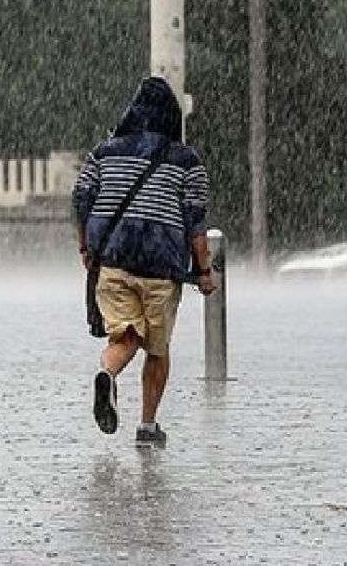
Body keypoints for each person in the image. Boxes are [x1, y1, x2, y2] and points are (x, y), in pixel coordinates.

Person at [72, 76, 217, 447]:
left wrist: (86, 248)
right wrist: (203, 272)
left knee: (126, 336)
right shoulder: (187, 162)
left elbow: (82, 200)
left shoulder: (103, 153)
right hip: (161, 269)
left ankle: (107, 371)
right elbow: (195, 222)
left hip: (114, 261)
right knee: (157, 348)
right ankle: (148, 428)